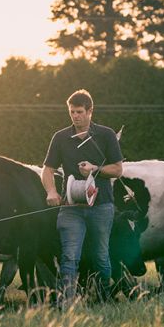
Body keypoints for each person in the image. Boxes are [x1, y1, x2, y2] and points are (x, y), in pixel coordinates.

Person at [41, 89, 123, 305]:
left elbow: (117, 170)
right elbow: (47, 170)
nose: (75, 116)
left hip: (102, 206)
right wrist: (51, 191)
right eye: (71, 112)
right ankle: (66, 304)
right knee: (69, 257)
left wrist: (94, 169)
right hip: (70, 207)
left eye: (79, 112)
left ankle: (104, 300)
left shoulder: (106, 135)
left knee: (101, 258)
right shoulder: (60, 137)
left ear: (90, 111)